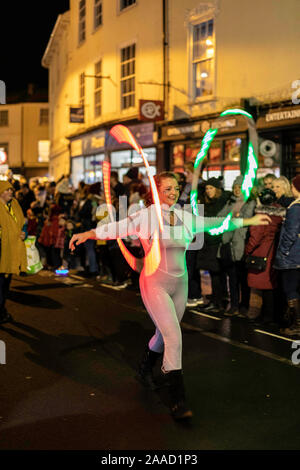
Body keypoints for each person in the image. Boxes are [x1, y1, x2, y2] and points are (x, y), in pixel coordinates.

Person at [69, 171, 271, 420]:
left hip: (180, 285)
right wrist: (88, 234)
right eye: (167, 189)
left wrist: (247, 222)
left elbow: (214, 223)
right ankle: (177, 398)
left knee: (163, 335)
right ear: (156, 192)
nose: (173, 192)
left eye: (175, 188)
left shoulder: (186, 216)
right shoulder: (146, 217)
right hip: (154, 284)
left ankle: (145, 366)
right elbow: (117, 229)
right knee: (173, 335)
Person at [245, 188, 285, 326]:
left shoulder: (261, 215)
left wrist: (247, 250)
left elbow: (255, 237)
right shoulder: (280, 214)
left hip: (260, 253)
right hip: (273, 252)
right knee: (270, 285)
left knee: (262, 286)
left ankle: (265, 316)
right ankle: (271, 315)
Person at [217, 175, 256, 316]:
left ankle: (244, 306)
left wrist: (232, 217)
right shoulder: (230, 202)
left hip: (241, 244)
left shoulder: (250, 202)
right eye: (235, 187)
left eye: (240, 187)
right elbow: (220, 217)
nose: (237, 190)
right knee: (232, 278)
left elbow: (244, 218)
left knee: (243, 278)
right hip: (228, 244)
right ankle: (234, 305)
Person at [197, 177, 231, 313]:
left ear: (217, 189)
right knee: (214, 273)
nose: (208, 191)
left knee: (217, 272)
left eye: (211, 188)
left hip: (216, 242)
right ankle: (217, 300)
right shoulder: (208, 203)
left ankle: (218, 302)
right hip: (208, 241)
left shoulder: (222, 202)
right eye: (207, 188)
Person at [273, 175, 300, 335]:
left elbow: (290, 233)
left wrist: (283, 251)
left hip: (293, 255)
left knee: (291, 289)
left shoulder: (296, 207)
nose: (291, 188)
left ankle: (296, 324)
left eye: (293, 185)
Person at [0, 181, 27, 324]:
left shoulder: (15, 205)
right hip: (1, 249)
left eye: (11, 189)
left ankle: (2, 309)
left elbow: (22, 225)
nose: (10, 192)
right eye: (7, 190)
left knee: (6, 283)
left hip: (12, 248)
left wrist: (24, 234)